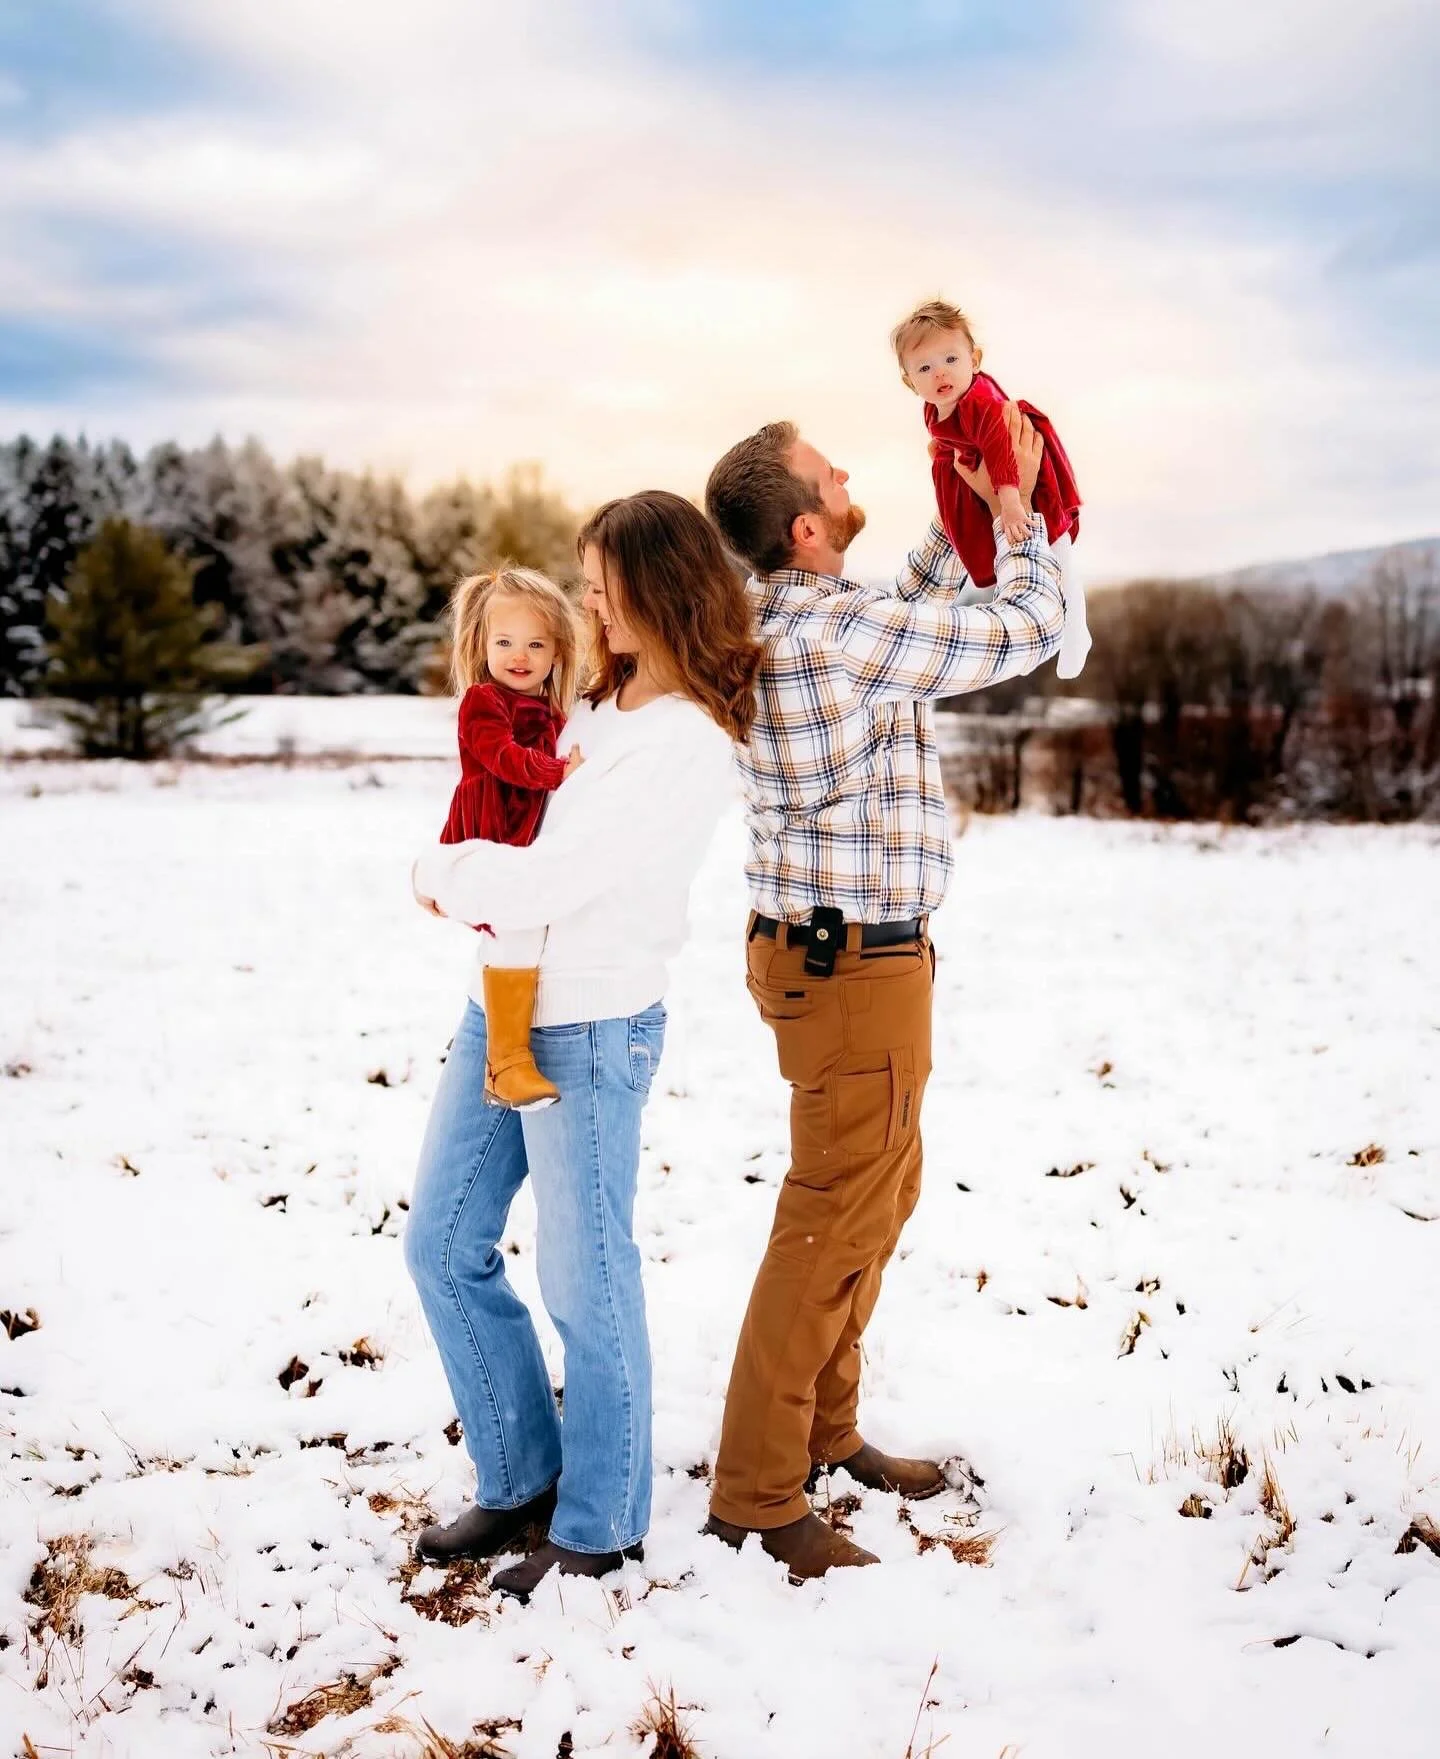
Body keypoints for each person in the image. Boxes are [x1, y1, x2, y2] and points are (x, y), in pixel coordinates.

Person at [700, 404, 1065, 1581]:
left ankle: (823, 1431)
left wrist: (952, 511)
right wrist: (1013, 515)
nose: (850, 472)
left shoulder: (800, 611)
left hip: (842, 955)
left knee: (874, 1192)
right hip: (851, 960)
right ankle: (757, 1495)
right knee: (828, 1218)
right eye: (831, 472)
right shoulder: (836, 629)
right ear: (807, 524)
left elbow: (907, 604)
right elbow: (1027, 625)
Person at [404, 491, 760, 1602]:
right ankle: (520, 1475)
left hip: (592, 1023)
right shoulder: (599, 706)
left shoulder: (684, 740)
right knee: (442, 1242)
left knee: (583, 1273)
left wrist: (435, 873)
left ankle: (601, 1520)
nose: (587, 597)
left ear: (658, 586)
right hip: (500, 1006)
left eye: (603, 579)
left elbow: (551, 874)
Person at [439, 567, 585, 1110]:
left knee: (523, 931)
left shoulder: (551, 710)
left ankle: (501, 1048)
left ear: (556, 653)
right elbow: (501, 757)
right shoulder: (483, 701)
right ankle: (506, 1062)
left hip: (524, 840)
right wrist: (555, 772)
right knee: (512, 932)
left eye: (535, 643)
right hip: (490, 832)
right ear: (482, 645)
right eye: (504, 642)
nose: (518, 655)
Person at [893, 296, 1091, 679]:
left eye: (951, 359)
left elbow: (1001, 448)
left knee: (1053, 543)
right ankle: (1020, 623)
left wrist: (1012, 501)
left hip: (1017, 470)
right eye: (925, 367)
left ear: (975, 359)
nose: (940, 374)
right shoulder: (936, 406)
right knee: (1007, 550)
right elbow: (951, 440)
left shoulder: (979, 403)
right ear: (909, 381)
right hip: (989, 474)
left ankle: (1074, 628)